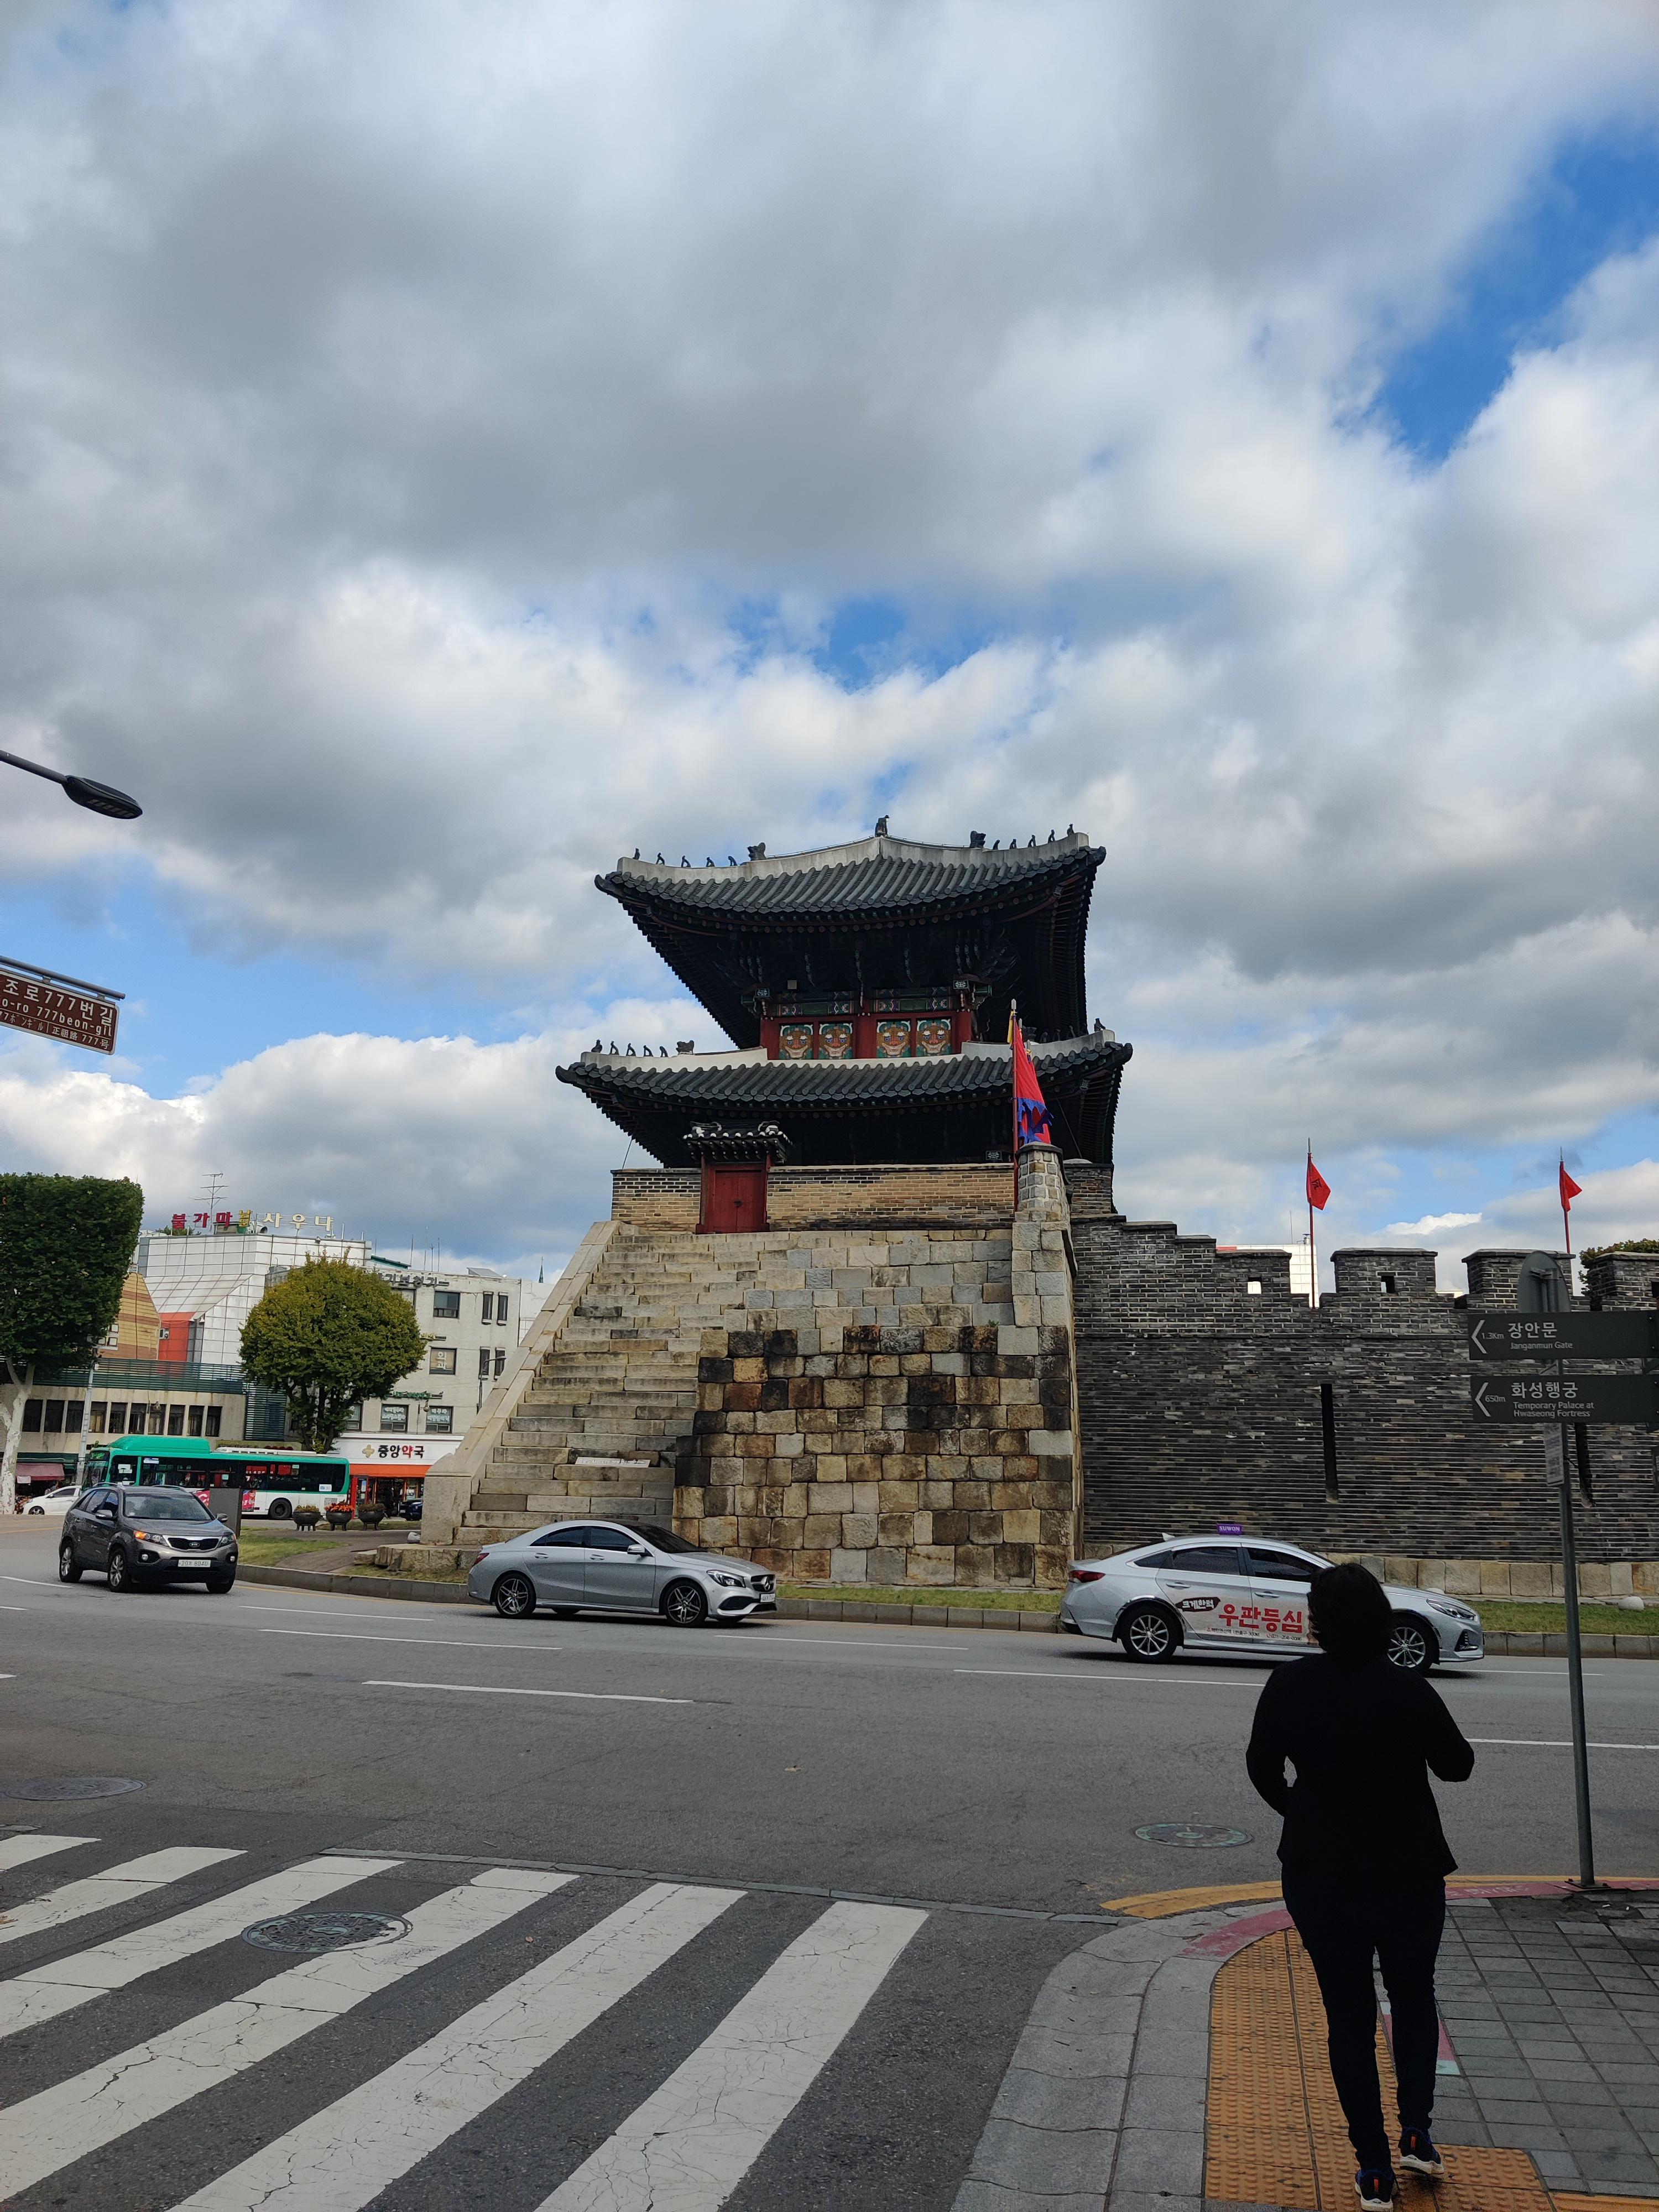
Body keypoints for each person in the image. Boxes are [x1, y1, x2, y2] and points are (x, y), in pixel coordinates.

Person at [1246, 1562, 1474, 2210]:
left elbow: (1262, 1765)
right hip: (1408, 1868)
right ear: (1382, 1618)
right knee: (1412, 1994)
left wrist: (1299, 1807)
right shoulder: (1408, 1689)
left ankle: (1372, 2164)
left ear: (1316, 1622)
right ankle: (1418, 2132)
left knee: (1348, 2014)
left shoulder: (1290, 1683)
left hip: (1321, 1872)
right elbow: (1457, 1765)